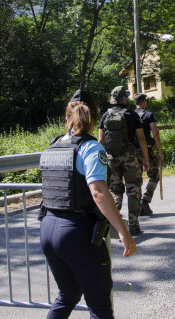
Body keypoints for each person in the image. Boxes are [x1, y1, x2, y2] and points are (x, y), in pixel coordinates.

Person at [39, 89, 136, 319]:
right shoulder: (91, 148)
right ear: (94, 118)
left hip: (47, 228)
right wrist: (123, 231)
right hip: (76, 233)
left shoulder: (51, 147)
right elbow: (99, 192)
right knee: (100, 305)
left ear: (67, 116)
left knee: (68, 294)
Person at [98, 86, 149, 236]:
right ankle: (133, 226)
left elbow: (100, 140)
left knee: (115, 191)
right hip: (130, 159)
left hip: (111, 159)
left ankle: (114, 224)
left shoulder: (105, 115)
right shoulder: (132, 115)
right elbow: (141, 138)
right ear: (124, 99)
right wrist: (146, 159)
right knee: (133, 190)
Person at [133, 93, 163, 216]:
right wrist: (160, 151)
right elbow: (155, 133)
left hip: (133, 151)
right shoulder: (148, 115)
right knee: (155, 175)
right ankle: (145, 200)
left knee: (136, 179)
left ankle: (137, 206)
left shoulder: (130, 115)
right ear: (144, 102)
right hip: (147, 150)